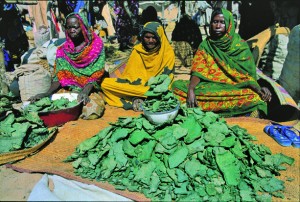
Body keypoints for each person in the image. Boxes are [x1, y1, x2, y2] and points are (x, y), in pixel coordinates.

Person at [171, 8, 272, 118]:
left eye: (222, 22)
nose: (218, 26)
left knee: (255, 98)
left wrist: (258, 88)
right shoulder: (206, 45)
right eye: (215, 22)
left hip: (235, 87)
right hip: (210, 86)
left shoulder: (240, 47)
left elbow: (247, 77)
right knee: (176, 87)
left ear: (229, 25)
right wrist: (191, 89)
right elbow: (198, 72)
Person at [30, 12, 106, 119]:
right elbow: (59, 78)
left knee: (91, 112)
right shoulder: (63, 51)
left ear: (83, 27)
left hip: (90, 89)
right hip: (70, 90)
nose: (71, 30)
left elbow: (96, 76)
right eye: (68, 27)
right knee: (47, 107)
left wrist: (84, 92)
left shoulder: (96, 46)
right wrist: (46, 94)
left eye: (75, 27)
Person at [101, 21, 175, 111]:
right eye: (147, 37)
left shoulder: (167, 53)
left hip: (155, 89)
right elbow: (129, 76)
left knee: (164, 91)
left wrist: (149, 88)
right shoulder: (137, 50)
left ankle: (135, 100)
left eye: (154, 37)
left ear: (160, 37)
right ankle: (138, 100)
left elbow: (166, 78)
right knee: (105, 84)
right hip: (137, 87)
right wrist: (136, 88)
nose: (150, 41)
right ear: (142, 37)